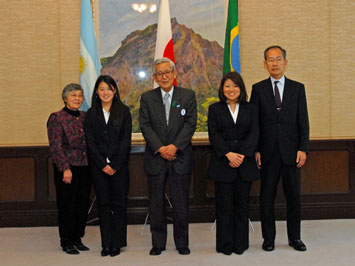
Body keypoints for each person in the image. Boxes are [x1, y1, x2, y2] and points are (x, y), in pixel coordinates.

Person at [250, 45, 310, 252]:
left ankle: (295, 238)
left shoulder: (297, 88)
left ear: (285, 62)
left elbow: (303, 121)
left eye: (278, 59)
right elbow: (254, 123)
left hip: (292, 152)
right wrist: (256, 149)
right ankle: (269, 239)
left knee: (293, 197)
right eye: (270, 59)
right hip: (267, 153)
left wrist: (303, 148)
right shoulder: (258, 89)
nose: (274, 63)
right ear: (264, 64)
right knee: (267, 197)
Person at [139, 57, 197, 256]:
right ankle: (158, 243)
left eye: (167, 72)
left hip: (180, 158)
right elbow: (145, 125)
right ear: (155, 77)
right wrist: (161, 148)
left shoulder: (188, 96)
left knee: (181, 203)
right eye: (159, 73)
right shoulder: (147, 98)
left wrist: (174, 147)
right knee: (156, 203)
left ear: (174, 74)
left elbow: (190, 124)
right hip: (156, 158)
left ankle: (182, 243)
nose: (163, 76)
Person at [207, 71, 259, 255]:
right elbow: (214, 134)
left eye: (235, 86)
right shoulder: (215, 109)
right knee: (224, 206)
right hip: (223, 163)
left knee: (242, 206)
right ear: (222, 89)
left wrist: (242, 155)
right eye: (227, 86)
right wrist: (228, 154)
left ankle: (241, 244)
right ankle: (225, 245)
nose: (231, 89)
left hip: (244, 164)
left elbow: (254, 133)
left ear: (241, 89)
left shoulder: (251, 108)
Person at [84, 75, 132, 257]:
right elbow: (90, 142)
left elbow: (125, 141)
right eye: (102, 89)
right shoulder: (91, 113)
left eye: (109, 89)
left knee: (119, 205)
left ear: (114, 91)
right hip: (99, 168)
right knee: (103, 205)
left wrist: (116, 164)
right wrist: (103, 164)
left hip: (120, 167)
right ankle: (106, 244)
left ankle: (117, 243)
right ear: (97, 91)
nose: (105, 92)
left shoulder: (124, 111)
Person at [47, 83, 91, 255]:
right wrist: (65, 168)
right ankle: (66, 241)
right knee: (67, 206)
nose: (77, 99)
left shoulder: (85, 116)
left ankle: (77, 238)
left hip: (85, 167)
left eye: (80, 96)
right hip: (67, 169)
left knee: (82, 205)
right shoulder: (56, 118)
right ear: (65, 98)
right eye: (73, 95)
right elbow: (56, 146)